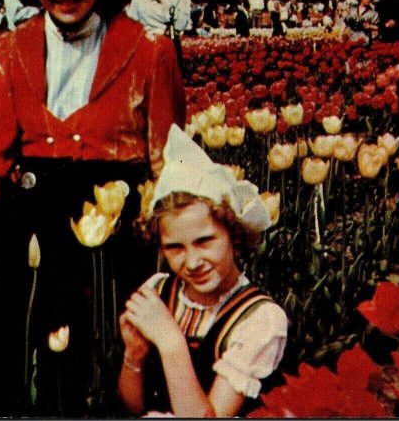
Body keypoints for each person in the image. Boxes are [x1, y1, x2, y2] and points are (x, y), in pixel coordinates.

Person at [0, 0, 185, 416]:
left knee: (106, 380)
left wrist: (174, 264)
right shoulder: (9, 52)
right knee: (28, 378)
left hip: (113, 253)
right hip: (30, 243)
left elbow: (170, 171)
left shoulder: (149, 51)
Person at [118, 124, 287, 417]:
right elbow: (134, 407)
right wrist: (134, 356)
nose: (193, 262)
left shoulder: (259, 320)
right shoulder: (159, 290)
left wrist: (171, 342)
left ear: (235, 235)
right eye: (175, 248)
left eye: (205, 241)